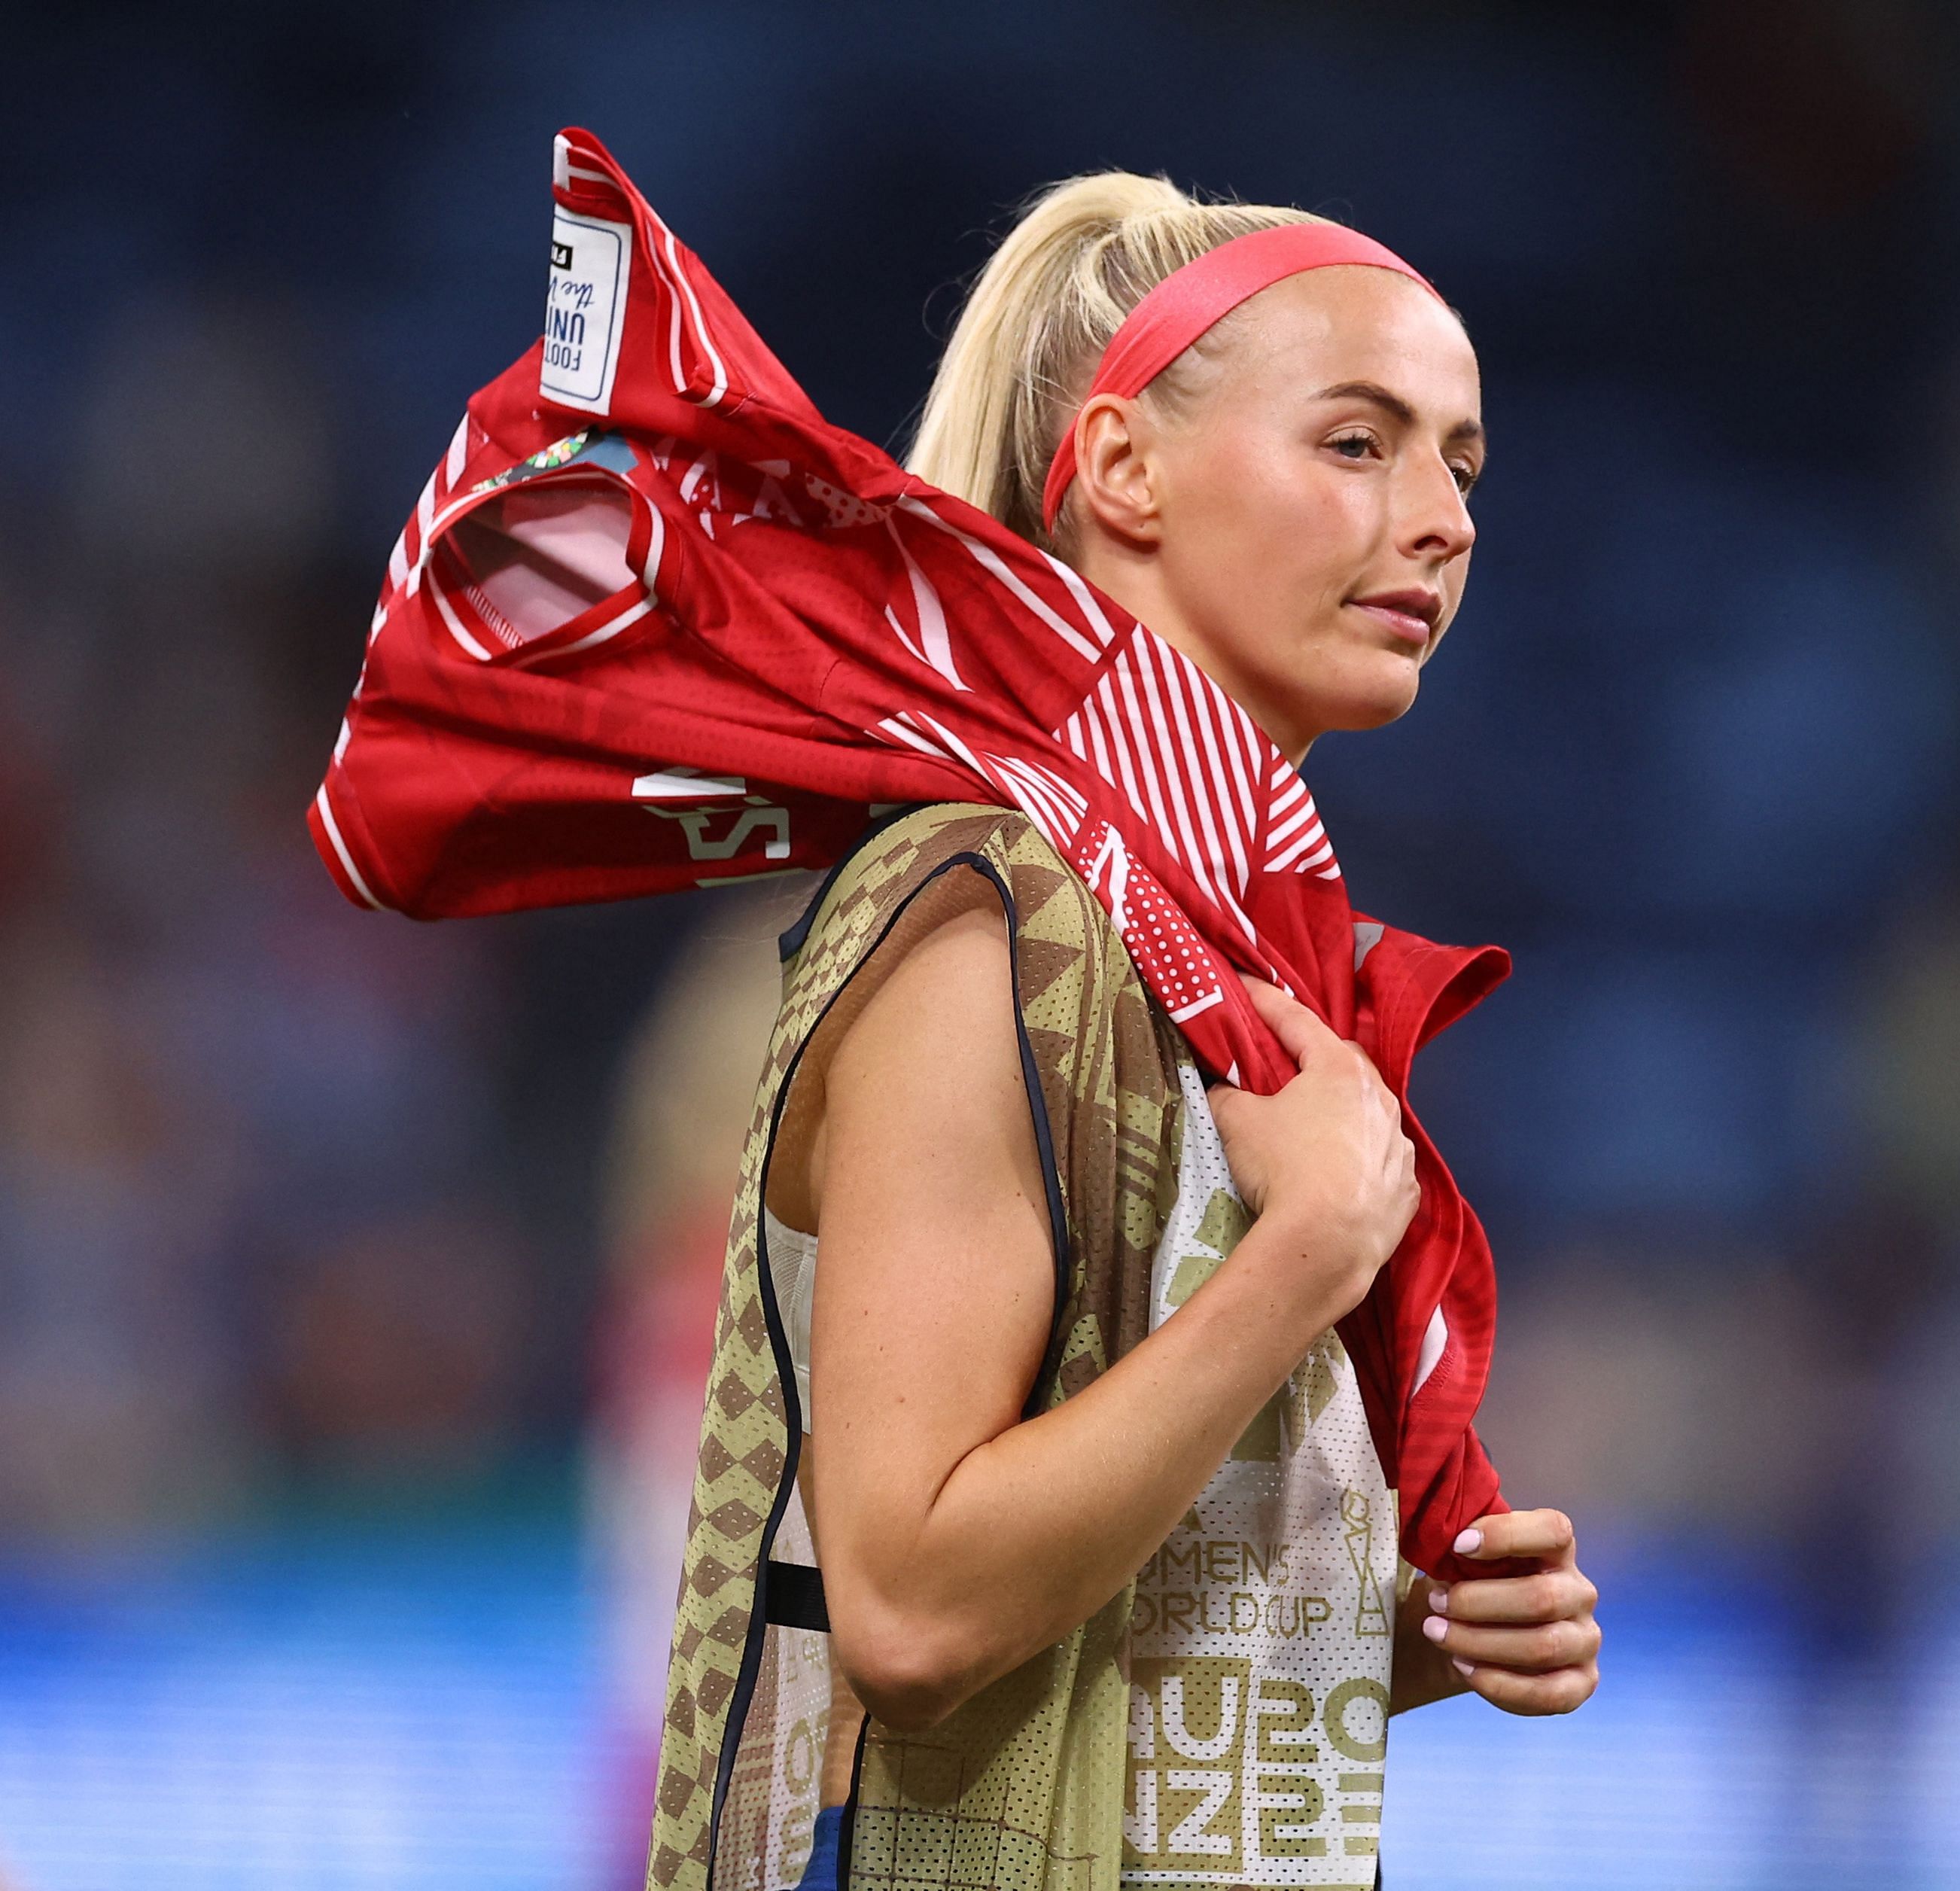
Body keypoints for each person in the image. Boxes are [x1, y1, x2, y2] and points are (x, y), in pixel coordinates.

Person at [308, 131, 1599, 1891]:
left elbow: (1103, 1616)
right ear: (1123, 471)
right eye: (1354, 443)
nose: (1441, 519)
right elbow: (909, 1605)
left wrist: (1415, 1633)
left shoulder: (1213, 940)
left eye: (1458, 462)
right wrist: (1308, 1249)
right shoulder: (991, 918)